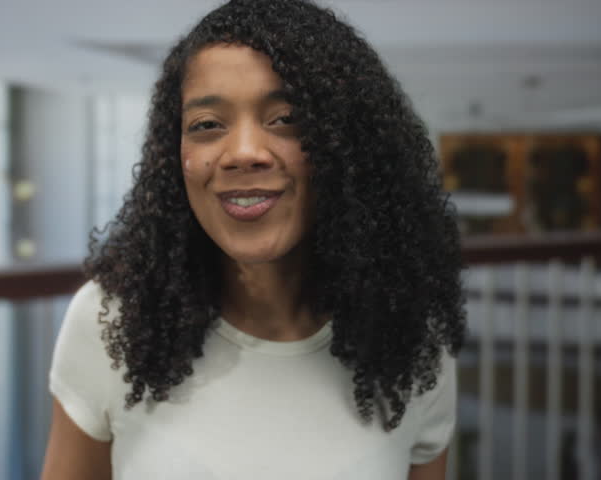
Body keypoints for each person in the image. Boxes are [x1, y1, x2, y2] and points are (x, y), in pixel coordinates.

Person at [41, 0, 466, 478]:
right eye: (207, 126)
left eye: (286, 118)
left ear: (349, 145)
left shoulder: (412, 336)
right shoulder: (111, 321)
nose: (243, 153)